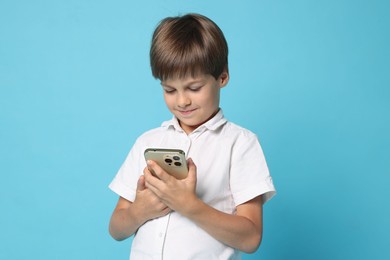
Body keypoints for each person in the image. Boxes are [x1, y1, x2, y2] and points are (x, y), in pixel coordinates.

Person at [108, 13, 276, 259]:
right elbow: (116, 228)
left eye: (194, 88)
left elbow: (251, 239)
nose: (182, 101)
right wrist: (139, 212)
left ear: (222, 77)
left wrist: (189, 205)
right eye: (169, 90)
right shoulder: (147, 142)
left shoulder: (240, 143)